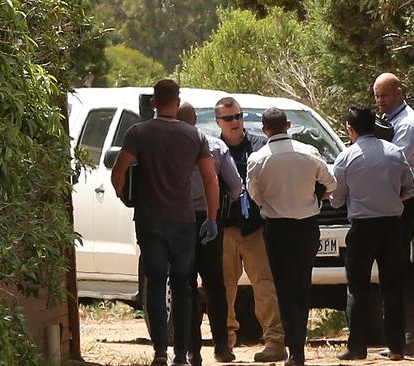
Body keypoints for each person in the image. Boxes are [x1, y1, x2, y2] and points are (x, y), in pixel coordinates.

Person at [111, 80, 220, 366]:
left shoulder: (138, 133)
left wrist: (125, 196)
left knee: (156, 284)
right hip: (184, 221)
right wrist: (211, 217)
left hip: (150, 220)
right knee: (184, 286)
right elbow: (210, 179)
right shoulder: (194, 136)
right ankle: (181, 354)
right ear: (178, 100)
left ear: (154, 103)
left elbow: (118, 171)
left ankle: (160, 350)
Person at [246, 108, 337, 366]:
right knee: (302, 285)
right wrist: (314, 197)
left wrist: (270, 204)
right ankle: (299, 346)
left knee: (284, 289)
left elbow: (253, 193)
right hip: (307, 226)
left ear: (265, 130)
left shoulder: (258, 158)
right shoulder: (309, 152)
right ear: (288, 125)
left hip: (277, 229)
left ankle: (295, 349)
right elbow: (331, 184)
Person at [330, 106, 414, 361]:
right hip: (392, 226)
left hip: (363, 228)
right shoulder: (395, 152)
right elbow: (410, 188)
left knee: (357, 287)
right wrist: (390, 198)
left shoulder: (346, 157)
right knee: (392, 286)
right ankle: (397, 347)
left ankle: (357, 346)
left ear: (350, 128)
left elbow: (336, 201)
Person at [215, 97, 287, 362]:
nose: (235, 122)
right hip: (226, 229)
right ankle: (225, 344)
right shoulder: (214, 148)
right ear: (218, 122)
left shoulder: (260, 145)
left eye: (238, 116)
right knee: (224, 290)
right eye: (229, 118)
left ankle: (275, 343)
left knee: (265, 288)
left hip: (256, 228)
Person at [177, 102, 242, 365]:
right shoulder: (214, 146)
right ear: (196, 120)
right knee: (215, 285)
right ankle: (222, 347)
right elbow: (236, 186)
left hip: (178, 222)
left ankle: (192, 350)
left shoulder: (166, 147)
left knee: (186, 285)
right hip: (210, 220)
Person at [373, 73, 414, 356]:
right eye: (377, 96)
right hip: (396, 202)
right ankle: (412, 331)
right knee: (400, 266)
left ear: (399, 92)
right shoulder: (390, 121)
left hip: (406, 202)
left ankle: (412, 333)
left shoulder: (407, 124)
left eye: (384, 95)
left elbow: (397, 164)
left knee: (398, 266)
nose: (380, 101)